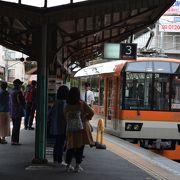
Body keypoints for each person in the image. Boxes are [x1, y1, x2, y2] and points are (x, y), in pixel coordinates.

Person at [64, 87, 94, 173]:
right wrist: (86, 118)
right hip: (82, 129)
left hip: (71, 129)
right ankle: (77, 166)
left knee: (70, 147)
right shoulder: (82, 104)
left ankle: (68, 166)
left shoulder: (67, 106)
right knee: (80, 148)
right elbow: (91, 112)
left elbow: (65, 116)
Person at [48, 85, 69, 165]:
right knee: (61, 144)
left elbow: (50, 114)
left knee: (57, 143)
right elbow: (65, 115)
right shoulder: (64, 103)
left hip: (55, 126)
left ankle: (55, 159)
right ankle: (59, 160)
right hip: (62, 126)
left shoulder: (56, 102)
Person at [9, 79, 25, 145]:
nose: (21, 85)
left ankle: (13, 140)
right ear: (18, 85)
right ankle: (15, 141)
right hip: (18, 111)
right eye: (20, 84)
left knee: (14, 126)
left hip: (12, 111)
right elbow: (21, 102)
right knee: (17, 127)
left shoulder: (11, 91)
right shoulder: (18, 92)